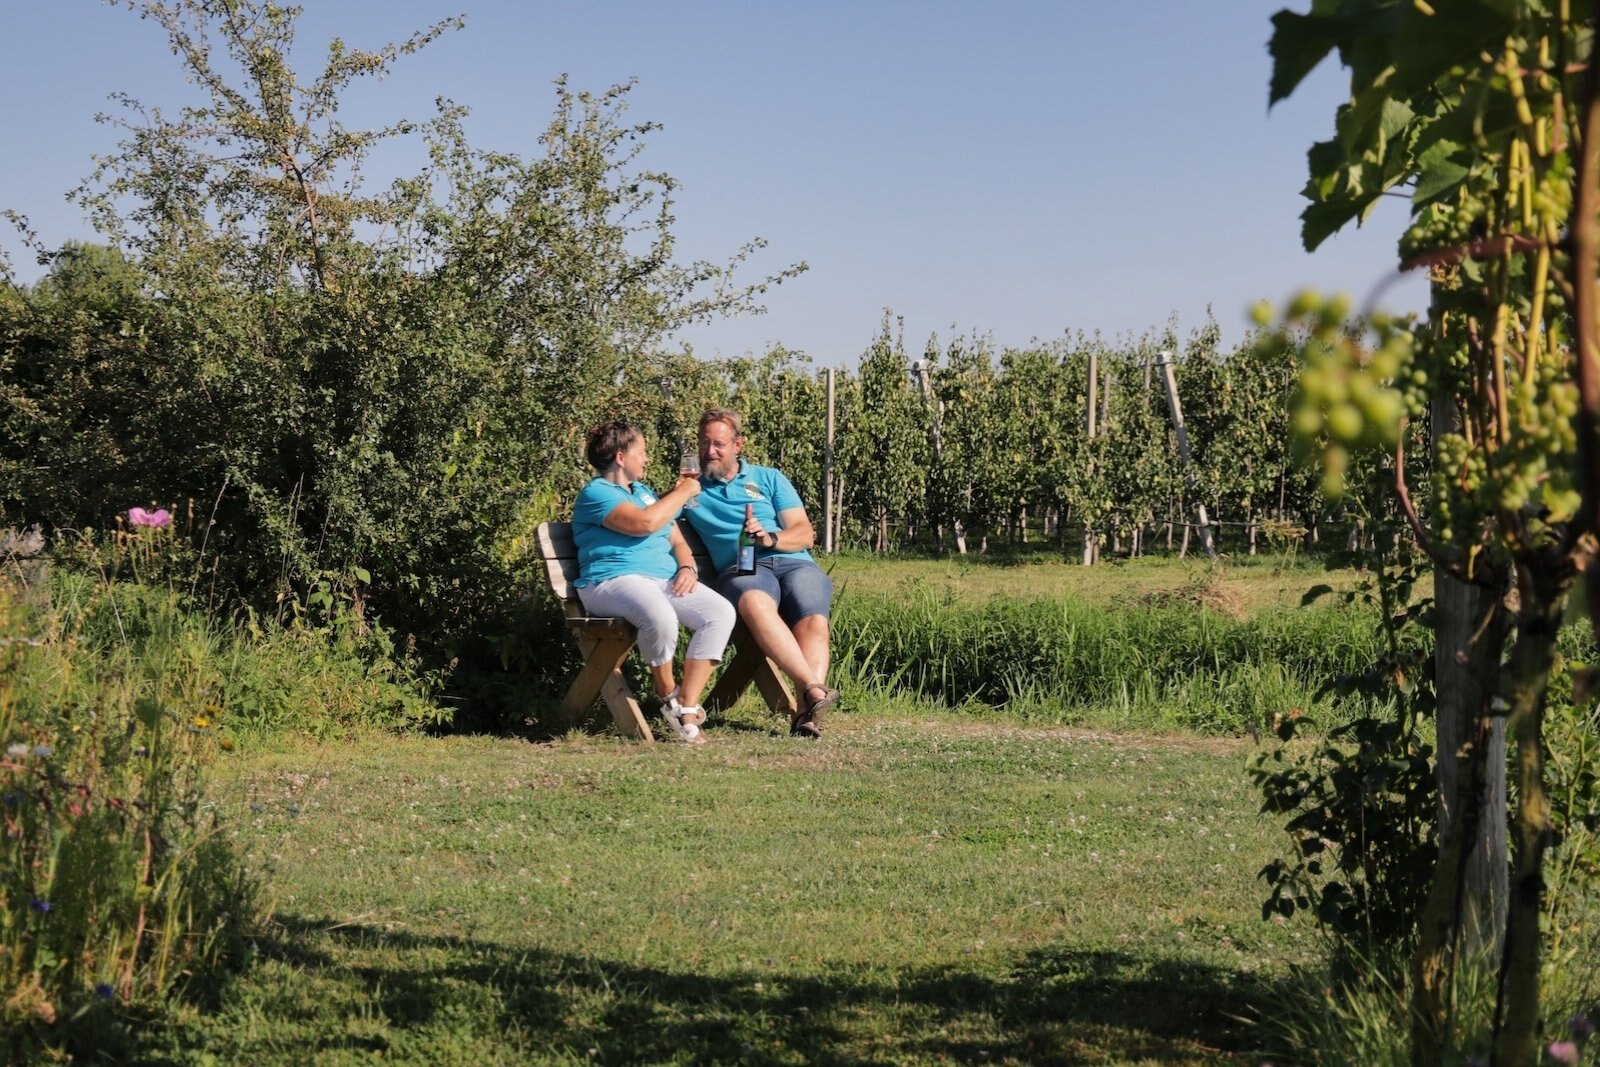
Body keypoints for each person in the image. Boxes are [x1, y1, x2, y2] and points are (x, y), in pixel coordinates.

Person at [572, 420, 737, 744]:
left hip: (661, 579)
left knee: (720, 612)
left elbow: (675, 539)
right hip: (610, 581)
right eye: (642, 452)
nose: (647, 459)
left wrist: (688, 567)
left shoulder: (644, 493)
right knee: (659, 615)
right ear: (621, 457)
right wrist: (685, 491)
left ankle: (686, 704)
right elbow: (645, 523)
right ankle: (665, 691)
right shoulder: (597, 492)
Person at [684, 406, 839, 738]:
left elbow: (804, 531)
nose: (709, 451)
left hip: (794, 561)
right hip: (743, 567)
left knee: (813, 619)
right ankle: (812, 690)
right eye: (704, 443)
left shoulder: (768, 478)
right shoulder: (691, 490)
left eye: (719, 444)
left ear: (738, 445)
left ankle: (805, 717)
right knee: (755, 602)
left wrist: (770, 537)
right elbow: (656, 520)